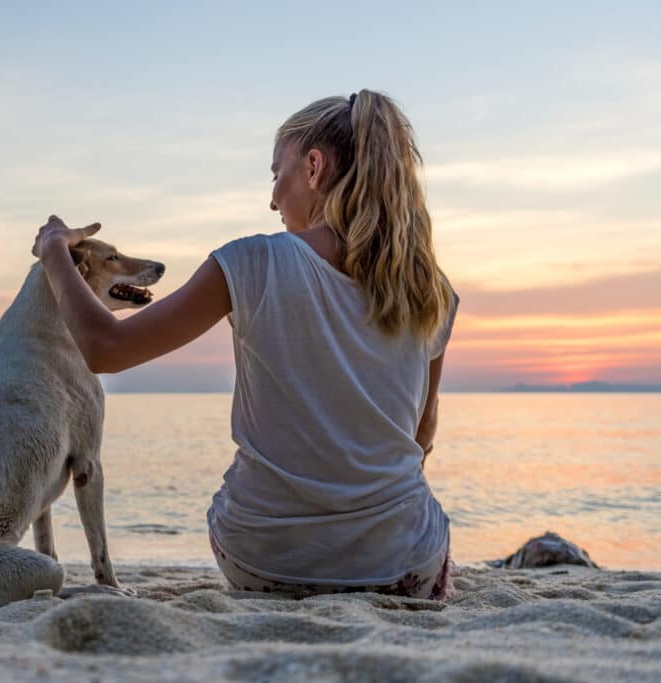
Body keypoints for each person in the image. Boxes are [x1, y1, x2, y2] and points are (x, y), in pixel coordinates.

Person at [31, 89, 458, 599]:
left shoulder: (253, 262)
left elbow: (105, 348)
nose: (274, 198)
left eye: (278, 173)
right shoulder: (430, 289)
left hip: (266, 558)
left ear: (315, 167)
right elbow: (421, 436)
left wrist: (55, 251)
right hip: (406, 564)